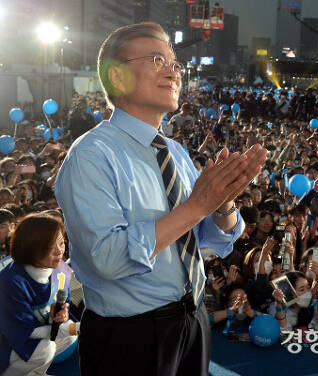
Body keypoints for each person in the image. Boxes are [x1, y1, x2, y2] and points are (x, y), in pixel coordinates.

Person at [54, 22, 266, 375]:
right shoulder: (92, 155)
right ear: (117, 77)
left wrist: (224, 203)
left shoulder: (176, 152)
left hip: (193, 317)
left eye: (175, 63)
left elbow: (210, 239)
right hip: (131, 334)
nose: (173, 72)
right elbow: (107, 258)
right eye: (157, 59)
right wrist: (197, 205)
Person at [0, 214, 78, 376]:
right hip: (8, 344)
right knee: (44, 349)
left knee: (68, 338)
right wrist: (67, 328)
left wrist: (61, 316)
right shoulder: (11, 280)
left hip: (38, 332)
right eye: (51, 245)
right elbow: (19, 330)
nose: (59, 250)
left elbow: (61, 312)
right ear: (31, 247)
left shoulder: (61, 271)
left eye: (61, 242)